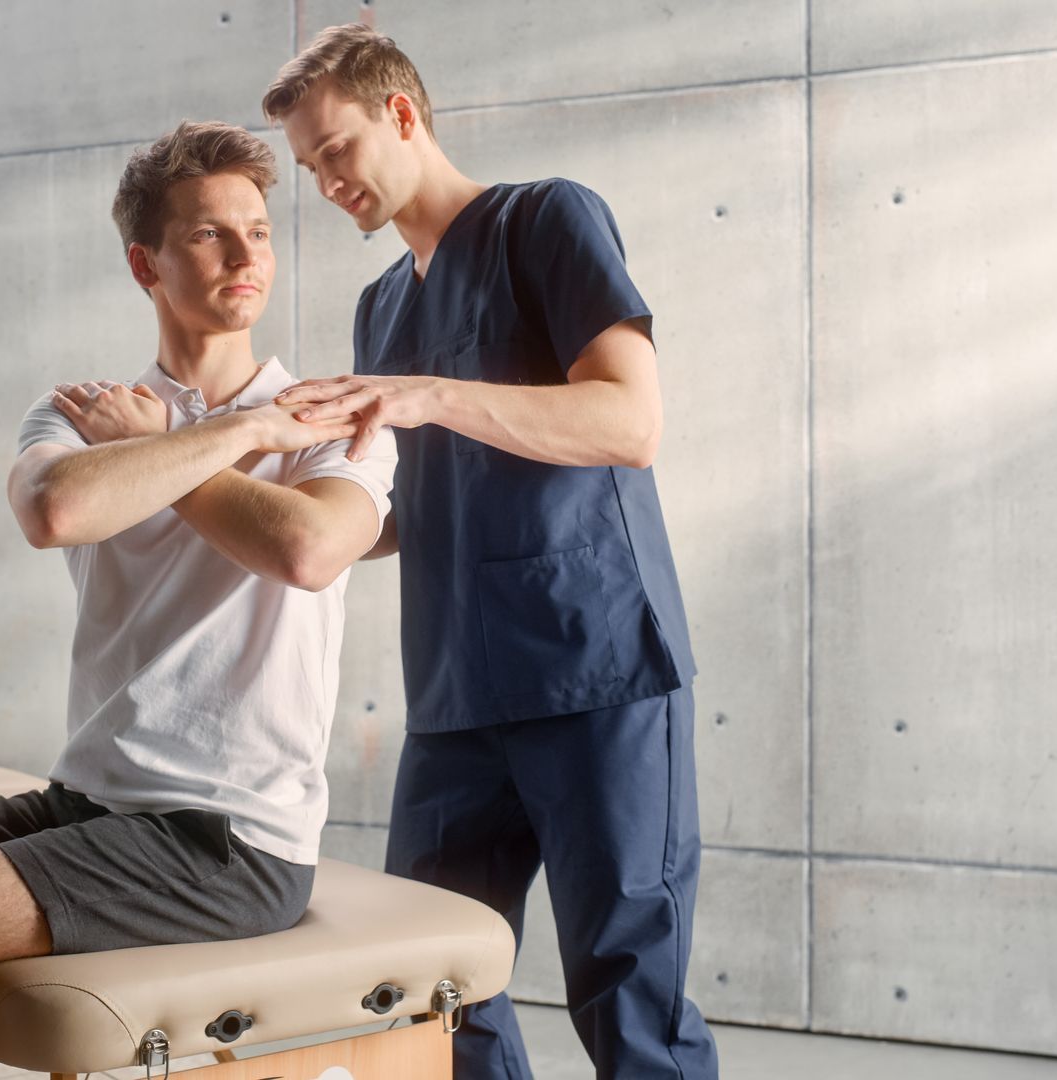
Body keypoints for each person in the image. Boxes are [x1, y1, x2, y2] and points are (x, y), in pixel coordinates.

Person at [0, 119, 396, 1080]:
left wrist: (235, 429)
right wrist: (219, 435)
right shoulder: (77, 413)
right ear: (146, 264)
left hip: (229, 837)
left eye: (258, 231)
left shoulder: (324, 421)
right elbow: (56, 508)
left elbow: (308, 550)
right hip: (93, 798)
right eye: (207, 235)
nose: (244, 255)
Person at [263, 25, 717, 1080]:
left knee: (627, 988)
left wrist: (423, 395)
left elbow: (628, 421)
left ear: (403, 115)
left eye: (336, 150)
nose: (326, 182)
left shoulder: (544, 221)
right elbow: (411, 509)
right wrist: (264, 505)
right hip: (458, 696)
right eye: (308, 167)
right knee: (430, 989)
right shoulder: (384, 305)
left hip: (594, 671)